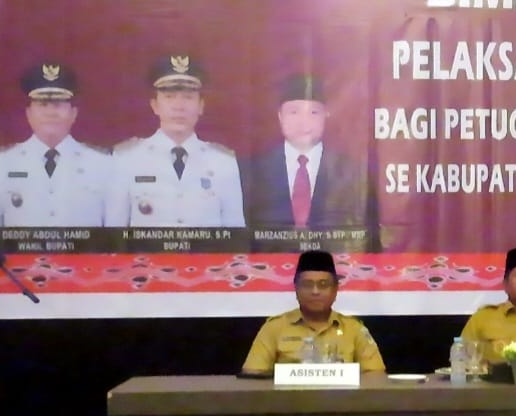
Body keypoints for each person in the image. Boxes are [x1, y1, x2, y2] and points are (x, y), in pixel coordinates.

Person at [0, 62, 112, 238]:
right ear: (28, 114)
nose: (50, 113)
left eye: (58, 105)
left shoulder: (102, 163)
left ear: (73, 113)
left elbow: (113, 237)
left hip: (83, 256)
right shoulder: (3, 163)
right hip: (19, 256)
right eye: (42, 104)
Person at [106, 54, 245, 227]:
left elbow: (235, 232)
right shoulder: (127, 159)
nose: (179, 107)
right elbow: (114, 231)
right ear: (155, 105)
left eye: (188, 97)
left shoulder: (222, 162)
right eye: (169, 97)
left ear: (201, 106)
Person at [243, 74, 374, 249]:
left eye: (313, 112)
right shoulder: (254, 171)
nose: (303, 122)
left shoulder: (352, 172)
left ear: (326, 115)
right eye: (294, 112)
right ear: (280, 115)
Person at [241, 250, 385, 374]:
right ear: (296, 288)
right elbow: (253, 378)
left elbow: (375, 378)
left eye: (323, 285)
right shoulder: (274, 328)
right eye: (307, 284)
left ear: (335, 290)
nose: (315, 291)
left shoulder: (354, 330)